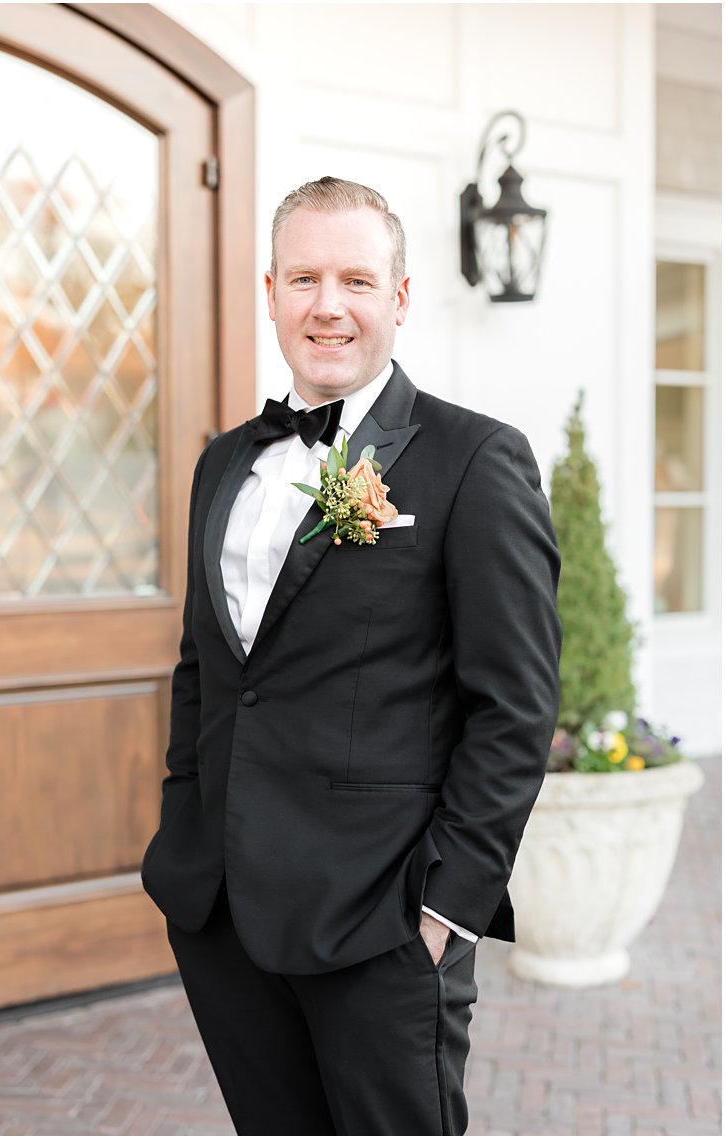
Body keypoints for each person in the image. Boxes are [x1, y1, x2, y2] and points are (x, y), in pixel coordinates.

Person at [140, 177, 561, 1135]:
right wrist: (182, 830)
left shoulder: (475, 461)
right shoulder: (222, 462)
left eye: (356, 280)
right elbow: (206, 670)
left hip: (381, 921)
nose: (327, 305)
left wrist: (446, 911)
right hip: (221, 913)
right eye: (304, 278)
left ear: (399, 299)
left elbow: (516, 709)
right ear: (271, 291)